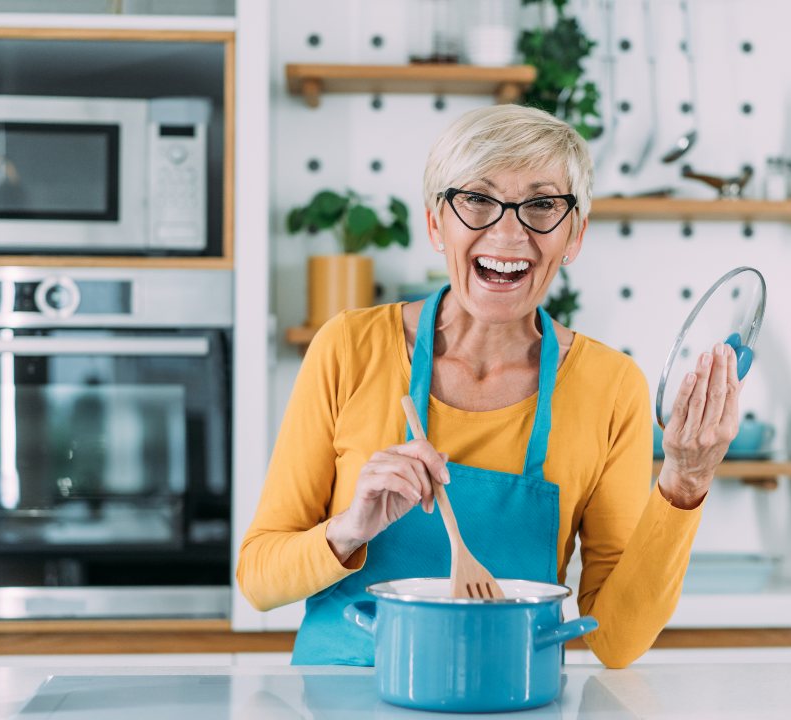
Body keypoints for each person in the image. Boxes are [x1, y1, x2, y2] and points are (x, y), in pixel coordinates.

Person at [237, 104, 743, 668]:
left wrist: (686, 480)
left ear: (574, 235)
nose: (508, 233)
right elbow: (259, 579)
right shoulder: (350, 348)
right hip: (347, 700)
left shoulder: (610, 386)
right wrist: (349, 529)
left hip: (509, 696)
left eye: (543, 205)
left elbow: (616, 641)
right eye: (476, 199)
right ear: (436, 224)